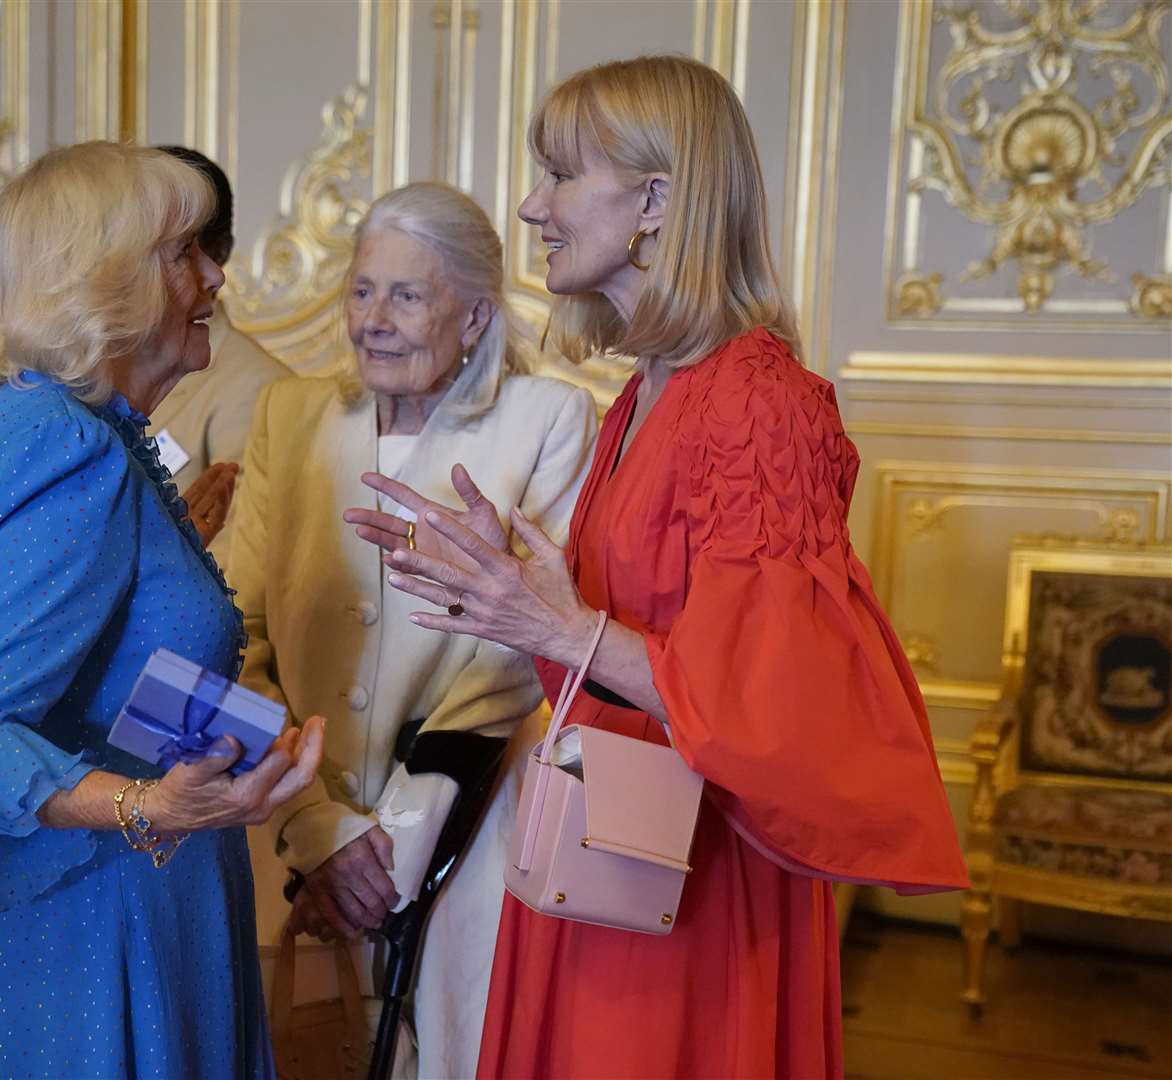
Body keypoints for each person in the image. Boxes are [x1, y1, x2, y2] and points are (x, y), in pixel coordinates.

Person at [351, 57, 968, 1077]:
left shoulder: (762, 401)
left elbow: (776, 711)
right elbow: (622, 658)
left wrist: (558, 626)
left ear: (656, 199)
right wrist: (500, 592)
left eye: (558, 173)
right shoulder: (646, 392)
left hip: (695, 889)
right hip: (604, 852)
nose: (529, 205)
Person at [0, 141, 325, 1080]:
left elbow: (99, 653)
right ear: (110, 280)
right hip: (91, 923)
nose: (217, 274)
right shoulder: (67, 448)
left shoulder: (66, 427)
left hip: (109, 898)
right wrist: (149, 803)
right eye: (186, 253)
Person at [232, 181, 597, 1079]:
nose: (374, 321)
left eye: (407, 295)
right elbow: (231, 632)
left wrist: (390, 841)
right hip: (284, 825)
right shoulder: (290, 417)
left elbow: (519, 652)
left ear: (474, 316)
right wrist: (318, 829)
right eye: (362, 290)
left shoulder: (546, 420)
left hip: (465, 834)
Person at [147, 145, 288, 556]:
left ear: (220, 253)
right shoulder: (100, 367)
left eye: (180, 247)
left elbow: (238, 567)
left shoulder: (262, 389)